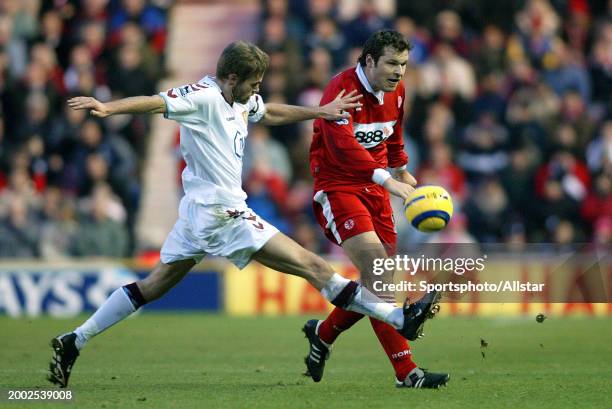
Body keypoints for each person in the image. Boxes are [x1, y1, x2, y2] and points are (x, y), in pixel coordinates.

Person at [47, 41, 440, 388]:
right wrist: (106, 107)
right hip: (223, 213)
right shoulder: (201, 97)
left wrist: (320, 111)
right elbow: (155, 103)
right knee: (312, 265)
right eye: (253, 83)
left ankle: (75, 339)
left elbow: (269, 112)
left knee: (153, 286)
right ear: (231, 77)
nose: (257, 91)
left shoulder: (241, 98)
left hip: (196, 215)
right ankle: (397, 317)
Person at [303, 30, 449, 389]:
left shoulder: (397, 90)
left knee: (376, 280)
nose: (399, 71)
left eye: (403, 64)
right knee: (378, 273)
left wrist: (400, 165)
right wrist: (388, 180)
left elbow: (393, 132)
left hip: (377, 190)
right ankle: (407, 372)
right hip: (339, 188)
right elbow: (343, 149)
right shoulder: (341, 92)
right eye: (391, 63)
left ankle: (322, 334)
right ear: (369, 60)